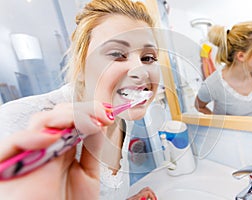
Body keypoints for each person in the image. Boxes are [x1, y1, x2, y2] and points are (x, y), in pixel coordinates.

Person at [0, 0, 159, 199]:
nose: (141, 70)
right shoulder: (15, 123)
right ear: (81, 66)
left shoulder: (124, 118)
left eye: (148, 58)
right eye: (117, 54)